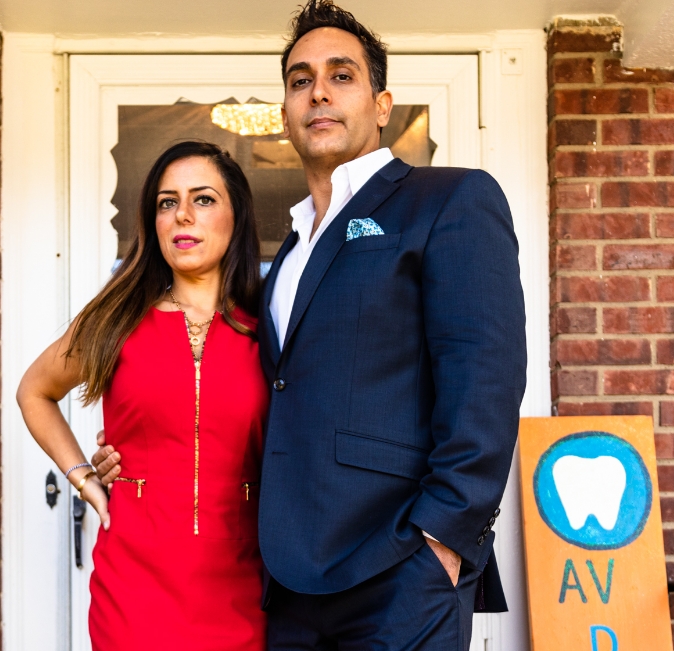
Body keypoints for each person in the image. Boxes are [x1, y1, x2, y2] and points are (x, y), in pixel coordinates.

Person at [94, 1, 527, 648]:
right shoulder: (288, 255)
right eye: (300, 80)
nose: (317, 90)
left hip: (399, 571)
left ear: (382, 103)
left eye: (340, 75)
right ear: (287, 109)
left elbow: (486, 380)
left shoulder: (448, 200)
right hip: (289, 587)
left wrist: (442, 540)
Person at [16, 141, 268, 650]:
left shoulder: (271, 328)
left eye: (202, 199)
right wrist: (83, 476)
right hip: (133, 586)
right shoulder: (117, 320)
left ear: (235, 215)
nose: (182, 216)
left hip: (245, 581)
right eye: (166, 202)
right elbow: (34, 391)